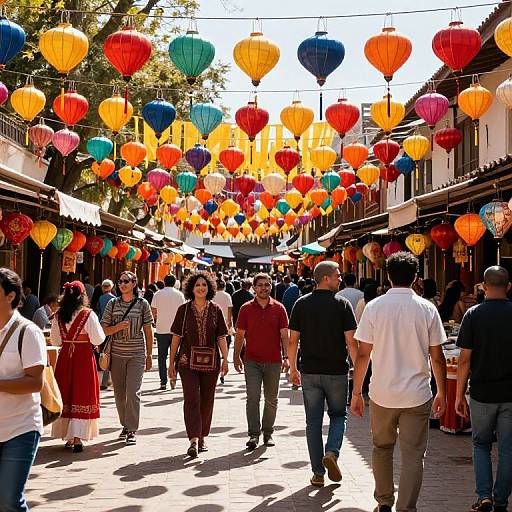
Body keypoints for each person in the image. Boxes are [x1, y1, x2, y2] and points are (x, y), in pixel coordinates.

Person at [351, 252, 447, 512]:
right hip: (417, 394)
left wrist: (356, 392)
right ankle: (406, 508)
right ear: (416, 277)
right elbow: (437, 357)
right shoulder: (427, 308)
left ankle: (384, 501)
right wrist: (442, 392)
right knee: (414, 455)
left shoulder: (374, 307)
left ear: (388, 276)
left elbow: (363, 353)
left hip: (382, 393)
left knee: (381, 447)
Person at [288, 261, 358, 487]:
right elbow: (351, 342)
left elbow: (293, 340)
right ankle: (332, 452)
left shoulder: (301, 304)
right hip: (336, 371)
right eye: (337, 275)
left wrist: (293, 368)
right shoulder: (342, 305)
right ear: (326, 278)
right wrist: (358, 368)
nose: (340, 279)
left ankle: (318, 473)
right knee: (338, 415)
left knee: (313, 424)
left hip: (310, 371)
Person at [455, 266, 512, 512]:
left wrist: (458, 394)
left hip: (481, 392)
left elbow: (465, 359)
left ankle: (484, 496)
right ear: (508, 286)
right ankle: (500, 500)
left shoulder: (473, 315)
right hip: (510, 394)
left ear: (484, 287)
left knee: (481, 445)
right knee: (508, 449)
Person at [168, 272, 229, 457]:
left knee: (207, 400)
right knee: (192, 398)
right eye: (197, 285)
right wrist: (171, 363)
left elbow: (221, 337)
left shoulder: (216, 309)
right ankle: (193, 439)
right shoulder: (183, 310)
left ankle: (203, 435)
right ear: (191, 289)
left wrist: (226, 359)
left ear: (209, 287)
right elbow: (176, 338)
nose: (201, 288)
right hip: (187, 362)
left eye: (204, 285)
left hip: (212, 363)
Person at [0, 268, 46, 511]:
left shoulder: (28, 332)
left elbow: (34, 382)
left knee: (8, 500)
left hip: (20, 427)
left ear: (10, 296)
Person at [234, 273, 289, 450]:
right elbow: (240, 335)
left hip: (274, 361)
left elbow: (284, 335)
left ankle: (268, 432)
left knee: (271, 399)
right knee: (253, 398)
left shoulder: (279, 308)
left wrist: (287, 357)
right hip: (252, 361)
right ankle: (253, 434)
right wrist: (236, 357)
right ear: (254, 287)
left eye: (266, 285)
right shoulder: (245, 308)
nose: (263, 288)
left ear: (271, 287)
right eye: (260, 285)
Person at [50, 281, 105, 452]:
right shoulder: (88, 314)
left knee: (67, 392)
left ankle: (68, 435)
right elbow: (98, 339)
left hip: (66, 356)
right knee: (82, 393)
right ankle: (77, 437)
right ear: (82, 296)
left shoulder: (59, 315)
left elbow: (56, 341)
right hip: (83, 358)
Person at [101, 271, 154, 446]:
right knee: (119, 394)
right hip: (116, 354)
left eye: (126, 281)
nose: (122, 284)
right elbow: (104, 330)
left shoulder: (142, 304)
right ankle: (125, 425)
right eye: (120, 281)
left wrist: (148, 355)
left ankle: (131, 429)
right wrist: (118, 327)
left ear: (134, 283)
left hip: (136, 354)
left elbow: (148, 330)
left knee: (133, 392)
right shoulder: (112, 303)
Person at [151, 274, 185, 390]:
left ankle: (163, 381)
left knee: (162, 356)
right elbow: (183, 312)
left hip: (161, 329)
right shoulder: (180, 295)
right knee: (175, 356)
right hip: (176, 330)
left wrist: (156, 320)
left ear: (164, 282)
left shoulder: (158, 294)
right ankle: (173, 377)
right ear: (175, 282)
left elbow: (153, 311)